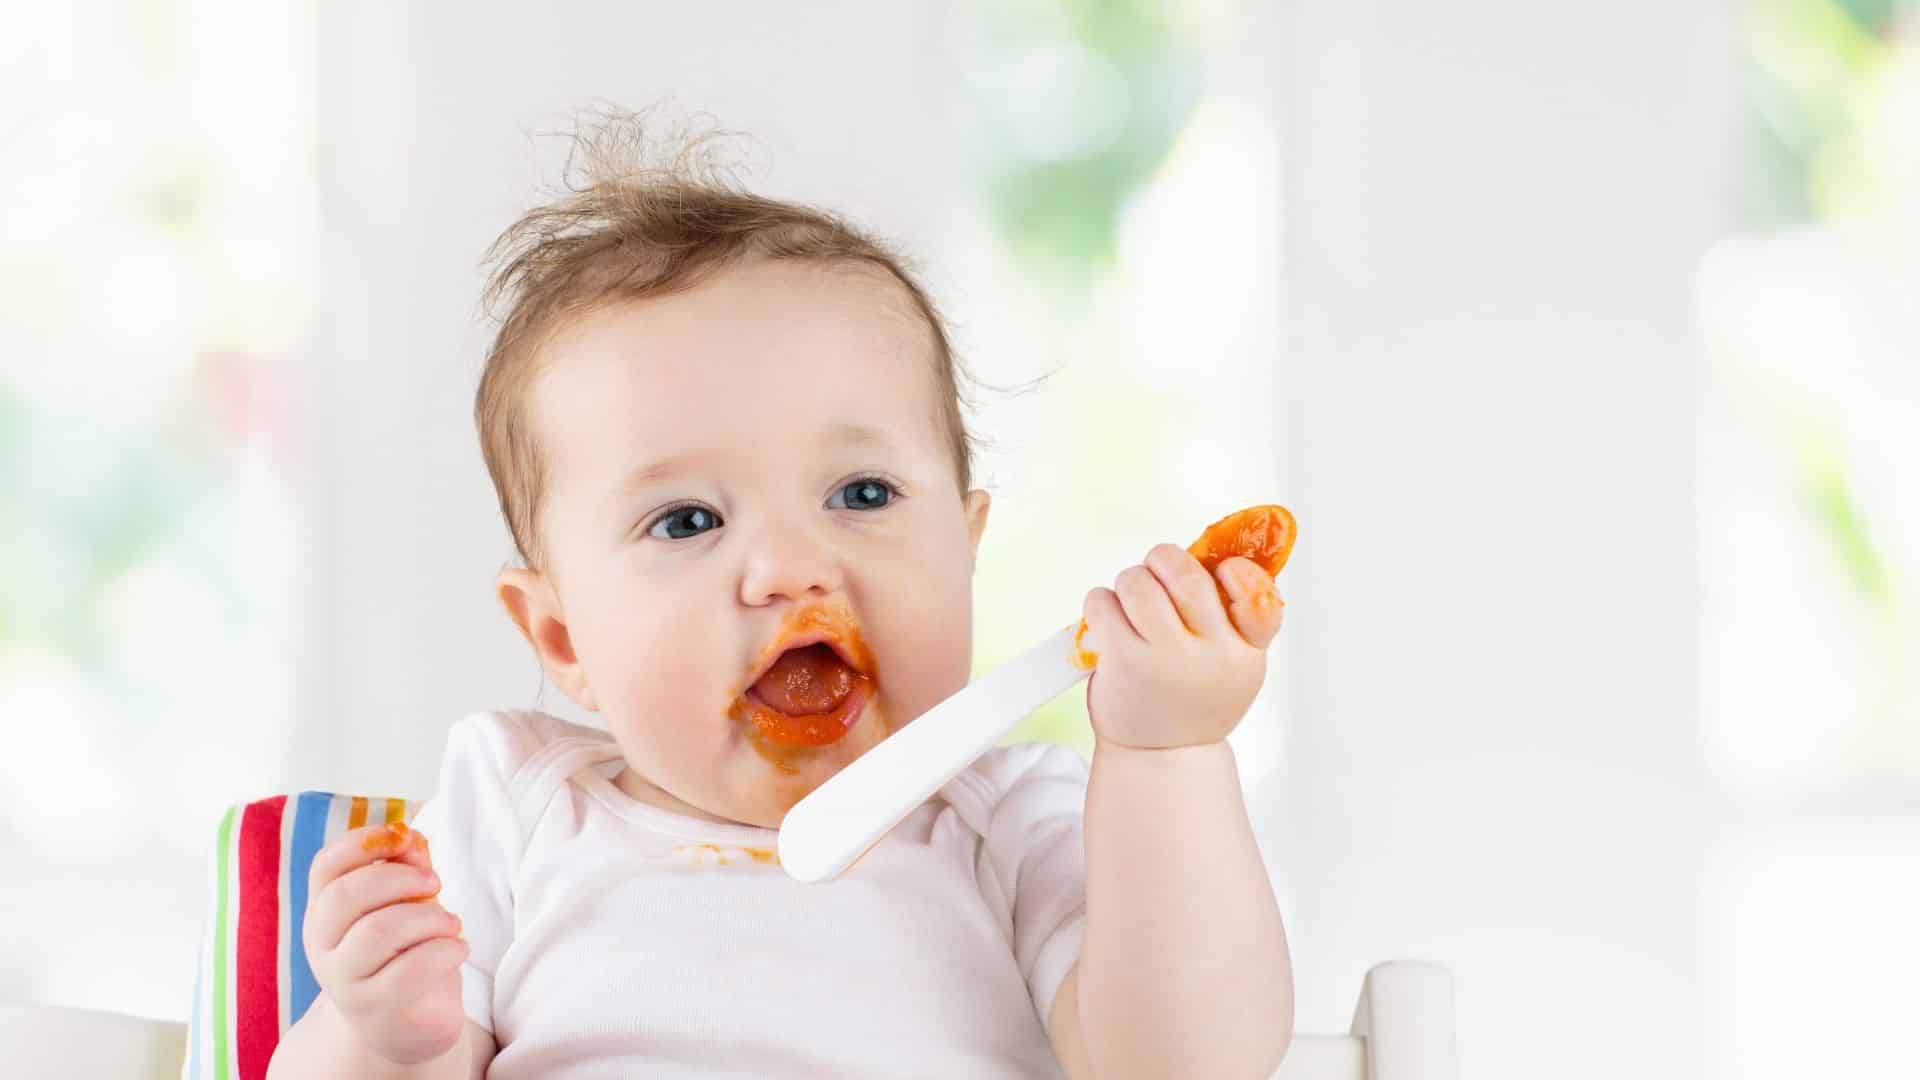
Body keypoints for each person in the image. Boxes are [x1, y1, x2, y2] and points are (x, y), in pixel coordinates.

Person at [268, 108, 1292, 1080]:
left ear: (964, 552)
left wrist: (1169, 755)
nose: (792, 569)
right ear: (561, 636)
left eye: (862, 493)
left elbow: (1185, 1065)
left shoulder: (1011, 824)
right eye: (687, 522)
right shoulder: (518, 811)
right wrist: (386, 1038)